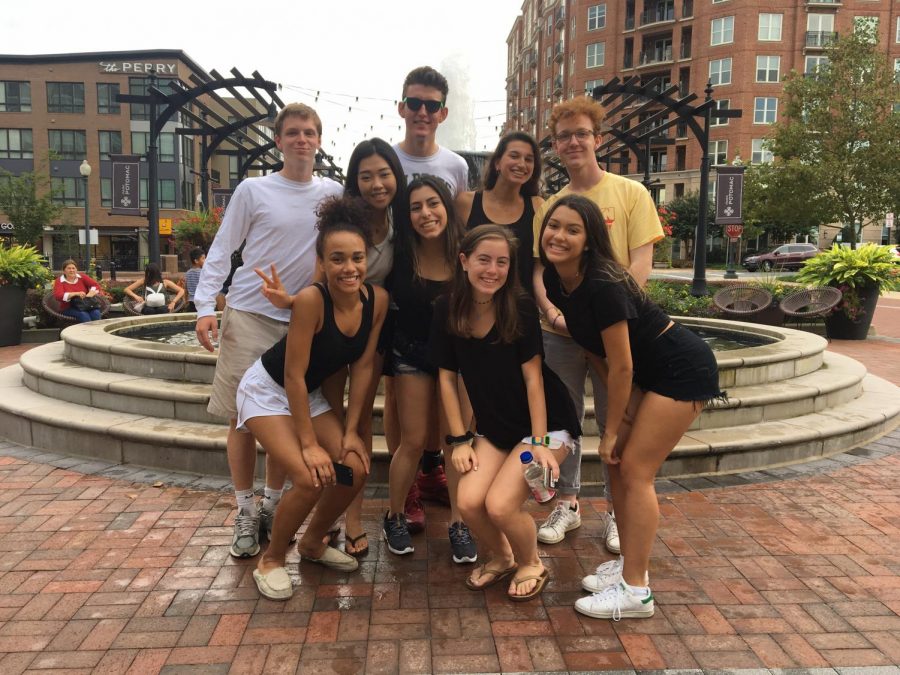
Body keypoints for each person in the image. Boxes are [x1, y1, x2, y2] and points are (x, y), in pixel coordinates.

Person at [538, 195, 724, 619]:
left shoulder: (602, 282)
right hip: (649, 374)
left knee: (636, 470)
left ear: (589, 240)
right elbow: (597, 355)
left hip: (681, 368)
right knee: (622, 466)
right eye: (553, 226)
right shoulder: (556, 280)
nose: (559, 236)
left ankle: (636, 591)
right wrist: (623, 416)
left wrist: (609, 432)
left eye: (572, 229)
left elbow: (623, 365)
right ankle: (628, 568)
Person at [193, 103, 343, 560]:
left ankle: (273, 508)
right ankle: (243, 509)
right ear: (278, 140)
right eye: (293, 132)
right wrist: (204, 306)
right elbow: (224, 247)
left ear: (319, 139)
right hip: (250, 314)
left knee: (283, 417)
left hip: (302, 323)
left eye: (309, 132)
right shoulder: (252, 190)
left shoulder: (332, 193)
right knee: (241, 419)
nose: (302, 139)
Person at [531, 96, 664, 551]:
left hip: (612, 334)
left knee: (618, 416)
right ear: (554, 144)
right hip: (560, 334)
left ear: (597, 139)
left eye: (581, 133)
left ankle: (614, 509)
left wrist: (608, 315)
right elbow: (539, 267)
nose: (573, 142)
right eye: (564, 136)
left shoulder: (630, 193)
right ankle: (566, 503)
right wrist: (553, 312)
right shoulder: (551, 204)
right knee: (561, 418)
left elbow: (641, 261)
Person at [241, 197, 388, 601]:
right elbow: (292, 374)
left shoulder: (377, 301)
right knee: (309, 476)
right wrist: (309, 444)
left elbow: (361, 368)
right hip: (267, 390)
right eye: (337, 259)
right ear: (321, 261)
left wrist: (354, 430)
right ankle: (271, 559)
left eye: (357, 257)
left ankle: (311, 543)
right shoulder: (310, 300)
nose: (349, 268)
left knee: (354, 467)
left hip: (306, 395)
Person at [433, 224, 580, 601]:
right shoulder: (447, 307)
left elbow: (534, 381)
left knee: (499, 505)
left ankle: (532, 562)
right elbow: (447, 378)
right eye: (484, 260)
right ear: (464, 261)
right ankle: (502, 556)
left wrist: (543, 442)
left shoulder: (521, 307)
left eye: (502, 262)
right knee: (467, 501)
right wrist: (460, 440)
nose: (492, 270)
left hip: (544, 427)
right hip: (495, 428)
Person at [319, 138, 407, 557]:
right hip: (334, 328)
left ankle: (353, 518)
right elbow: (319, 273)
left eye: (384, 174)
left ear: (396, 176)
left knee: (360, 421)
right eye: (366, 175)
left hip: (375, 329)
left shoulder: (400, 221)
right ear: (354, 180)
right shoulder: (343, 223)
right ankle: (329, 513)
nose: (376, 184)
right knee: (335, 420)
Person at [392, 66, 470, 526]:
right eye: (414, 103)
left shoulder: (455, 166)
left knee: (445, 411)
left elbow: (456, 228)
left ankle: (431, 471)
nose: (422, 112)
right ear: (402, 107)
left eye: (431, 105)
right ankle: (409, 494)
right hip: (396, 287)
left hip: (439, 293)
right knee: (404, 404)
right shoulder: (388, 157)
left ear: (443, 112)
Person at [383, 175, 475, 563]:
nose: (426, 213)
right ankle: (395, 514)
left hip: (460, 359)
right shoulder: (399, 254)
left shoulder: (466, 251)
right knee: (414, 440)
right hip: (412, 355)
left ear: (447, 207)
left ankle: (460, 522)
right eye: (416, 206)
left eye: (433, 203)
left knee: (459, 440)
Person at [456, 131, 543, 295]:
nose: (522, 164)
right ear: (497, 163)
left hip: (520, 307)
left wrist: (549, 310)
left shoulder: (538, 206)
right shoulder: (465, 203)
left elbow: (539, 267)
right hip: (474, 303)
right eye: (514, 156)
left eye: (529, 159)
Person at [184, 247, 206, 312]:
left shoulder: (188, 273)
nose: (205, 260)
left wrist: (186, 300)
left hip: (191, 301)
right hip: (201, 301)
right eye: (203, 258)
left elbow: (186, 289)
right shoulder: (203, 272)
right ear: (196, 261)